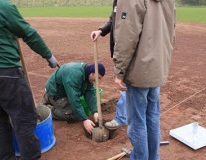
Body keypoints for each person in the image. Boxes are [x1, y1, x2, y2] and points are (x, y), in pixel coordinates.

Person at [0, 0, 58, 160]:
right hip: (5, 73)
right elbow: (29, 33)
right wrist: (48, 56)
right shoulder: (4, 7)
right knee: (25, 118)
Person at [113, 0, 176, 160]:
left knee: (137, 121)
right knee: (152, 117)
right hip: (157, 67)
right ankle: (153, 157)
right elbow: (172, 31)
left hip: (139, 71)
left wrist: (119, 71)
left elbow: (126, 36)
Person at [90, 0, 127, 129]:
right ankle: (129, 115)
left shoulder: (133, 2)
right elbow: (113, 18)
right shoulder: (117, 1)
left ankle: (122, 118)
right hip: (120, 50)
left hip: (128, 52)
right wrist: (101, 30)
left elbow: (130, 31)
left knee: (125, 86)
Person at [40, 62, 106, 134]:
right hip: (55, 94)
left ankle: (53, 104)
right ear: (93, 73)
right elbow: (74, 99)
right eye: (98, 77)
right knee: (74, 115)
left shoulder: (87, 73)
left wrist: (95, 111)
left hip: (65, 92)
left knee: (80, 110)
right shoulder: (74, 76)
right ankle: (47, 108)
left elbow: (89, 92)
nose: (97, 80)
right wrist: (85, 119)